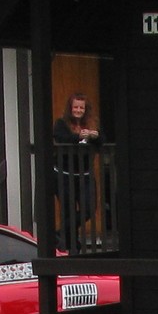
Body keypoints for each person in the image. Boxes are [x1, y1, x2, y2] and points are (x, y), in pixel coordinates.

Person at [55, 92, 100, 250]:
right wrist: (79, 136)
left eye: (81, 107)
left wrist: (95, 136)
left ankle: (60, 233)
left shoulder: (92, 123)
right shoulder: (61, 123)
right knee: (68, 211)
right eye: (76, 107)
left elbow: (102, 140)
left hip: (85, 175)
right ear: (70, 108)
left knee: (89, 209)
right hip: (64, 175)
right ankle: (73, 247)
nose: (78, 110)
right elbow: (60, 137)